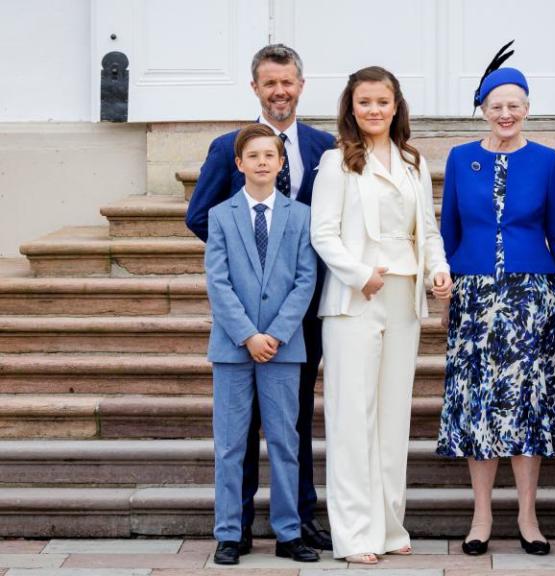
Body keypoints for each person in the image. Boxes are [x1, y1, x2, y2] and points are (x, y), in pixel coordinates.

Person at [185, 44, 335, 553]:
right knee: (237, 435)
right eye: (269, 83)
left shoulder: (323, 146)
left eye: (287, 81)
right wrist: (247, 271)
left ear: (300, 84)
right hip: (237, 325)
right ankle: (238, 525)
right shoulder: (229, 146)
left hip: (297, 319)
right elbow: (201, 217)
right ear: (255, 87)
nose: (279, 91)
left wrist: (280, 311)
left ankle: (298, 522)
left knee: (291, 428)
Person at [310, 66, 452, 563]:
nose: (373, 110)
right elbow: (322, 233)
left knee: (393, 417)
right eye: (364, 102)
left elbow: (428, 230)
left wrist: (438, 269)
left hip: (404, 296)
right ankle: (353, 534)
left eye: (382, 102)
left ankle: (390, 525)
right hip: (356, 300)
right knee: (353, 417)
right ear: (352, 107)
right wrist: (358, 272)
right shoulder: (337, 162)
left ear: (397, 107)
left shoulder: (412, 161)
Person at [436, 65, 555, 557]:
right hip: (473, 294)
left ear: (528, 108)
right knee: (479, 407)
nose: (506, 113)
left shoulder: (544, 159)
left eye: (515, 104)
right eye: (496, 105)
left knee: (527, 407)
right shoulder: (459, 158)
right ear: (482, 109)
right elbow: (448, 229)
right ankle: (480, 516)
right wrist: (446, 290)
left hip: (530, 295)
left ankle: (528, 516)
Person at [206, 124, 319, 565]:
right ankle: (230, 532)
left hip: (283, 347)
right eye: (253, 156)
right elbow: (218, 281)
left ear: (281, 162)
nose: (262, 163)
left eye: (269, 156)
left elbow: (305, 279)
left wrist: (274, 333)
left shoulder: (300, 216)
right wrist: (248, 335)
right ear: (239, 164)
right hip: (233, 348)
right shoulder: (221, 215)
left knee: (285, 442)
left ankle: (289, 532)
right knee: (232, 444)